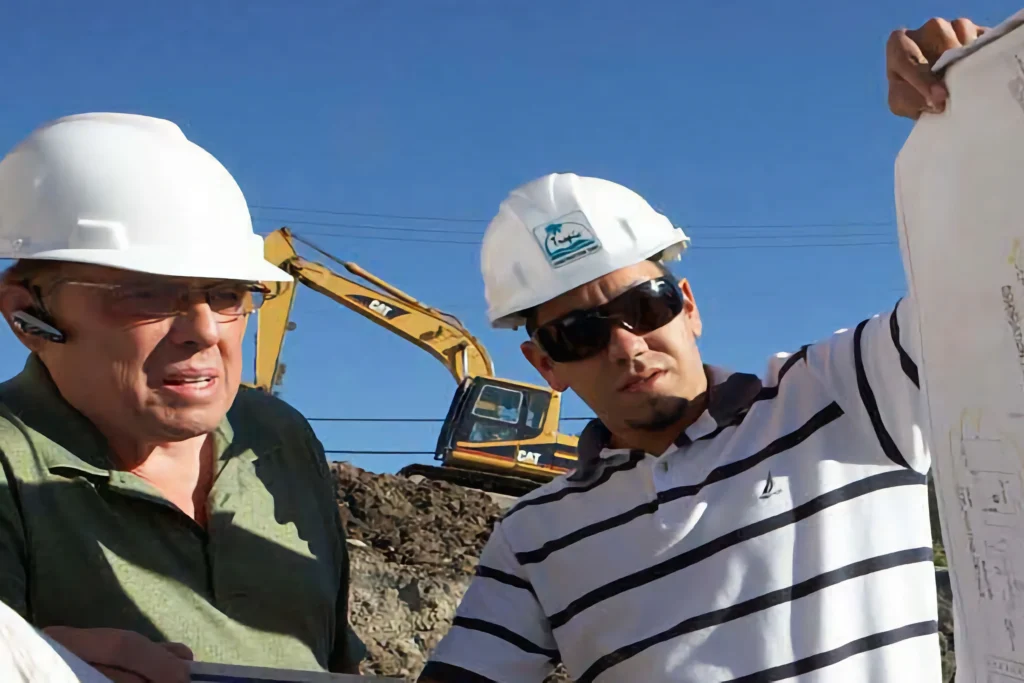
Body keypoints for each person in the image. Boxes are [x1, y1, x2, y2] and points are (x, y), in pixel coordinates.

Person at [419, 15, 984, 683]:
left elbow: (997, 293)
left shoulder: (847, 393)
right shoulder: (533, 536)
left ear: (688, 304)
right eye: (579, 333)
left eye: (643, 305)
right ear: (546, 366)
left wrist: (977, 109)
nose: (626, 345)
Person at [0, 113, 365, 682]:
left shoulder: (278, 438)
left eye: (227, 294)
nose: (206, 330)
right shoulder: (8, 463)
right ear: (27, 314)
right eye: (146, 293)